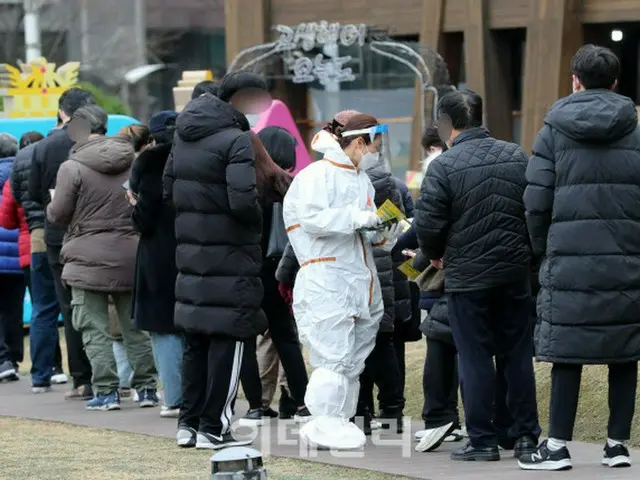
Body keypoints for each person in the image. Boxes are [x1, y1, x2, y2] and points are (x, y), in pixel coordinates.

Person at [519, 44, 640, 471]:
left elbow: (536, 201)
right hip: (627, 260)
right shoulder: (636, 129)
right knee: (625, 351)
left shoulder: (552, 130)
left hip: (568, 258)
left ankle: (555, 447)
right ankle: (617, 445)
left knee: (567, 353)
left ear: (574, 81)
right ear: (614, 82)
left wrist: (541, 249)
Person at [415, 89, 540, 461]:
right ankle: (524, 436)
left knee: (474, 357)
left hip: (467, 277)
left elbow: (429, 226)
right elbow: (533, 210)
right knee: (517, 356)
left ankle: (482, 439)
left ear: (447, 125)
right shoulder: (517, 155)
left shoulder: (443, 167)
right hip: (515, 273)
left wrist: (435, 256)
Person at [166, 72, 271, 450]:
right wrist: (256, 224)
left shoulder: (182, 134)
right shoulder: (237, 139)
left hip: (191, 252)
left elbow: (168, 189)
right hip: (230, 254)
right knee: (229, 338)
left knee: (196, 340)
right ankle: (215, 426)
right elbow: (243, 199)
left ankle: (188, 423)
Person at [283, 113, 401, 450]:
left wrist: (381, 230)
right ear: (360, 141)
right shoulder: (317, 175)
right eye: (375, 144)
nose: (378, 151)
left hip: (358, 279)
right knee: (332, 355)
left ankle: (338, 420)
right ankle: (324, 421)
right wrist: (358, 218)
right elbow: (312, 218)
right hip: (327, 279)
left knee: (352, 359)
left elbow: (361, 232)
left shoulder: (360, 178)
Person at [46, 105, 157, 411]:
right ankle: (146, 388)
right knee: (135, 326)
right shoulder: (132, 161)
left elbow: (58, 214)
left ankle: (106, 392)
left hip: (85, 256)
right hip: (130, 254)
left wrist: (52, 204)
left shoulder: (72, 167)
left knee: (93, 327)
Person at [238, 131, 310, 426]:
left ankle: (255, 405)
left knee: (244, 340)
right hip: (278, 271)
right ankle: (304, 402)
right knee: (286, 338)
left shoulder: (243, 183)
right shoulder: (288, 185)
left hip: (245, 269)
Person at [28, 87, 95, 399]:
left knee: (69, 308)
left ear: (62, 112)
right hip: (97, 233)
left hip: (58, 235)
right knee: (105, 304)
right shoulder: (102, 142)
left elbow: (35, 192)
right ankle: (116, 377)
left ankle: (82, 378)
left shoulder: (45, 146)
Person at [130, 111, 183, 418]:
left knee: (164, 329)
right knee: (193, 325)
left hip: (158, 254)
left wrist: (133, 208)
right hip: (195, 250)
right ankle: (197, 392)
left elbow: (144, 217)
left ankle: (174, 397)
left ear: (153, 137)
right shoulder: (196, 157)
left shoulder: (148, 163)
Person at [11, 130, 69, 392]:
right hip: (65, 232)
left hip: (35, 236)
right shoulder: (67, 152)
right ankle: (81, 376)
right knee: (71, 305)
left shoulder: (21, 159)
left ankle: (40, 375)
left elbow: (16, 199)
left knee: (42, 308)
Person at [254, 126, 298, 418]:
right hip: (290, 270)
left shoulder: (251, 184)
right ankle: (293, 396)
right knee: (288, 335)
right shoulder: (293, 186)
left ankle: (260, 401)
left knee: (266, 338)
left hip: (257, 269)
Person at [0, 133, 25, 382]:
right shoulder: (21, 174)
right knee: (13, 309)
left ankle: (2, 359)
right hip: (18, 254)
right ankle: (15, 357)